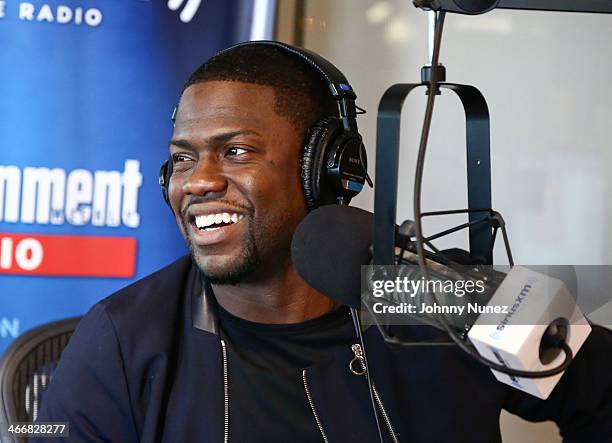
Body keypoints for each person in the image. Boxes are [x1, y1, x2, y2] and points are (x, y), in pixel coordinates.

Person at [33, 41, 612, 443]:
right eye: (184, 158)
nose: (200, 180)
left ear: (328, 170)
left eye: (236, 151)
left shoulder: (447, 295)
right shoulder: (124, 338)